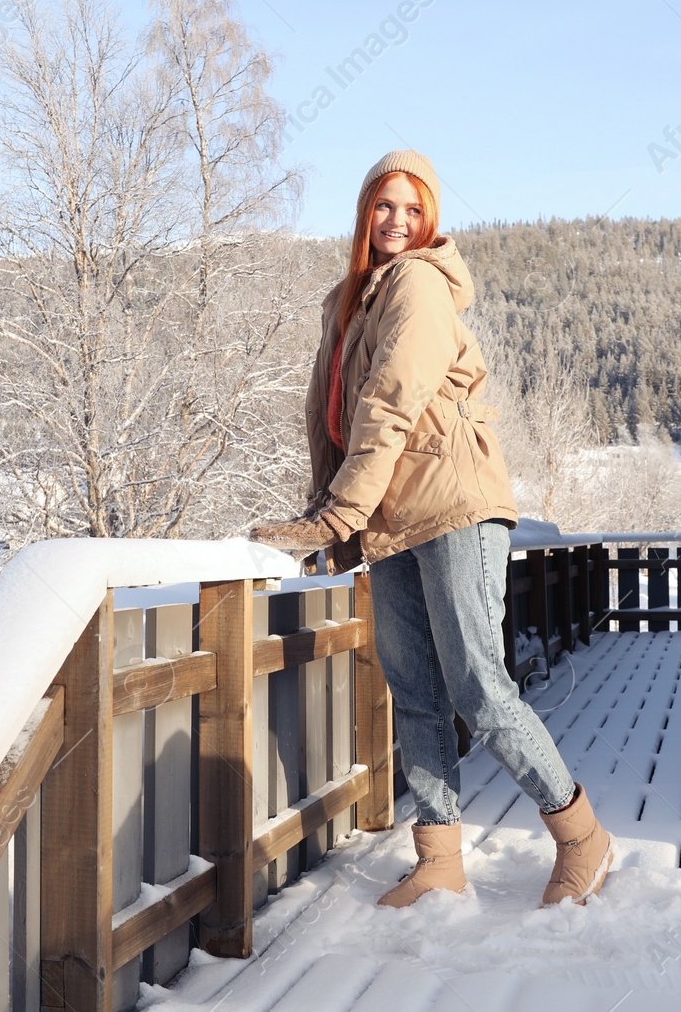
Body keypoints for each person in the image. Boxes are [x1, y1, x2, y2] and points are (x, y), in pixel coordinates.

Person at [250, 150, 614, 908]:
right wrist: (330, 513)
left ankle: (581, 833)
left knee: (478, 685)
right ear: (363, 213)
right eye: (384, 206)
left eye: (413, 209)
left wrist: (336, 514)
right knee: (413, 687)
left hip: (452, 504)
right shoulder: (348, 301)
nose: (397, 221)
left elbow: (388, 402)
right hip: (392, 518)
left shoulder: (416, 283)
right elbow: (332, 424)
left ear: (430, 219)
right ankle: (439, 856)